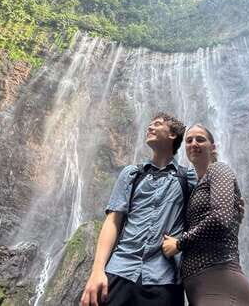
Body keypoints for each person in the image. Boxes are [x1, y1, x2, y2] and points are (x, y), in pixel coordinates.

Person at [80, 112, 196, 306]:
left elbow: (211, 210)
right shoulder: (131, 174)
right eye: (149, 125)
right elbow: (113, 221)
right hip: (119, 271)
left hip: (164, 279)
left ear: (173, 135)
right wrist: (97, 271)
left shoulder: (188, 178)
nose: (149, 128)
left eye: (157, 124)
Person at [161, 124, 249, 305]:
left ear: (213, 147)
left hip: (220, 281)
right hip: (199, 286)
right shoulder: (196, 185)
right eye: (189, 140)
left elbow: (221, 218)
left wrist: (179, 243)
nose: (194, 143)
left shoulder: (219, 169)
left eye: (200, 139)